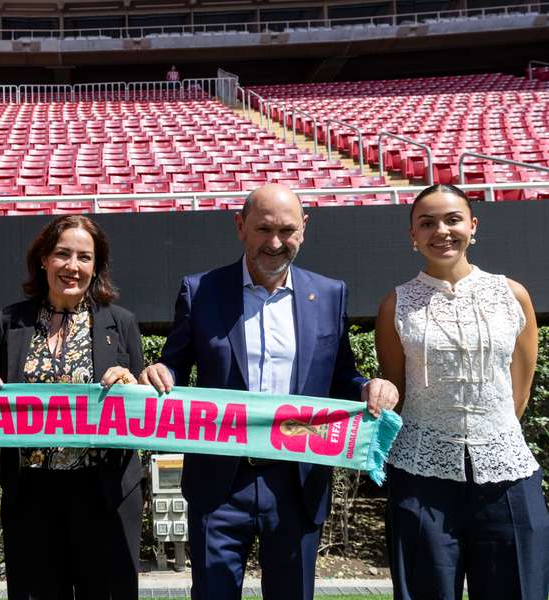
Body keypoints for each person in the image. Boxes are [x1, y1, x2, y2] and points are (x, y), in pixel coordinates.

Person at [139, 184, 399, 600]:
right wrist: (158, 371)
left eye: (286, 230)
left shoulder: (330, 294)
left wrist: (368, 387)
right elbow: (173, 363)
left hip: (297, 479)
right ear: (240, 226)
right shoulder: (200, 290)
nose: (275, 243)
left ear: (304, 229)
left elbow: (340, 377)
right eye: (263, 229)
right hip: (220, 481)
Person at [374, 184, 549, 600]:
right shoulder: (395, 304)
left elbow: (519, 390)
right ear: (412, 236)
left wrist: (491, 437)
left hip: (507, 474)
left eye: (453, 219)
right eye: (427, 222)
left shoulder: (512, 295)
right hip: (420, 477)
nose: (442, 231)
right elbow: (395, 391)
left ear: (473, 225)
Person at [0, 215, 144, 600]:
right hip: (32, 494)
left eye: (84, 257)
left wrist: (132, 384)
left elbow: (142, 409)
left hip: (103, 491)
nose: (72, 266)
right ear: (43, 260)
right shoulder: (10, 321)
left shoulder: (121, 323)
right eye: (62, 254)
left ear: (96, 265)